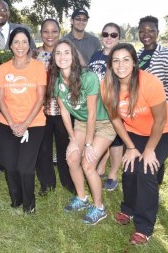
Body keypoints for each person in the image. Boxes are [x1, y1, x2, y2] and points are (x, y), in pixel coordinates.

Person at [101, 43, 168, 245]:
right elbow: (116, 120)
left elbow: (160, 121)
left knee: (145, 170)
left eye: (126, 59)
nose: (121, 65)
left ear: (135, 62)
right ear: (110, 65)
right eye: (116, 60)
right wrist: (130, 147)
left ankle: (144, 227)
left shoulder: (150, 83)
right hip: (136, 132)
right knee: (129, 168)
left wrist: (149, 151)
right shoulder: (107, 85)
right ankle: (128, 209)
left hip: (164, 131)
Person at [49, 39, 115, 225]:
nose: (62, 56)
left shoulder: (88, 77)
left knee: (88, 163)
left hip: (102, 124)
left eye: (67, 52)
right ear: (54, 58)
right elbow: (63, 112)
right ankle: (82, 197)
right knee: (71, 157)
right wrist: (72, 139)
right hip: (80, 123)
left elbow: (93, 113)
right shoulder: (57, 82)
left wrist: (87, 144)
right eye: (58, 53)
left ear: (74, 56)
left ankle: (99, 207)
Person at [0, 0, 35, 181]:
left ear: (9, 12)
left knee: (22, 123)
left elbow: (31, 53)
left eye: (3, 9)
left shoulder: (20, 30)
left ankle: (21, 162)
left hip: (20, 86)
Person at [0, 27, 46, 214]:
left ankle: (29, 205)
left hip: (33, 124)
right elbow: (0, 99)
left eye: (24, 41)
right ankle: (16, 200)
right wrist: (12, 123)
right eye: (16, 42)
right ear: (10, 45)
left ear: (29, 44)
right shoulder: (4, 68)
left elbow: (41, 98)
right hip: (7, 123)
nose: (20, 45)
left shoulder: (38, 67)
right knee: (9, 166)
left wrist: (24, 124)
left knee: (25, 168)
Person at [137, 16, 168, 186]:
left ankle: (155, 184)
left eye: (150, 30)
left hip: (163, 109)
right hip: (143, 111)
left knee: (157, 149)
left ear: (157, 32)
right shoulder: (137, 54)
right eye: (142, 31)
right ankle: (147, 180)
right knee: (147, 145)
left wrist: (161, 109)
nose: (146, 34)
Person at [35, 19, 75, 196]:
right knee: (42, 147)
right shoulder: (34, 54)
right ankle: (46, 182)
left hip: (63, 109)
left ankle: (68, 180)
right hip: (40, 109)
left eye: (54, 31)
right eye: (45, 31)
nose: (49, 35)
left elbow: (78, 74)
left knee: (65, 144)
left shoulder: (67, 52)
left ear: (59, 32)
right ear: (40, 32)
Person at [88, 23, 123, 191]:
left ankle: (113, 174)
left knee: (115, 141)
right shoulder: (95, 55)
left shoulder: (119, 57)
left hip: (112, 104)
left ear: (119, 38)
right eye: (106, 34)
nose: (109, 37)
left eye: (114, 35)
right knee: (101, 137)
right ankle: (101, 167)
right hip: (95, 105)